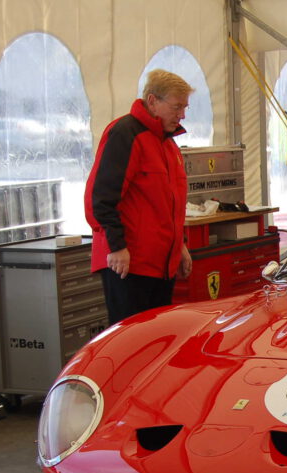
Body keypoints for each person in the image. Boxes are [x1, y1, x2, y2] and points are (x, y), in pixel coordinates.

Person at [86, 69, 194, 324]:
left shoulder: (168, 143)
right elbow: (101, 196)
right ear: (153, 100)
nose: (182, 115)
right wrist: (117, 246)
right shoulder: (126, 134)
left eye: (185, 108)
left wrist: (180, 245)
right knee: (130, 340)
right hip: (129, 263)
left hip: (160, 264)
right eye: (177, 107)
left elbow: (170, 203)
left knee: (157, 339)